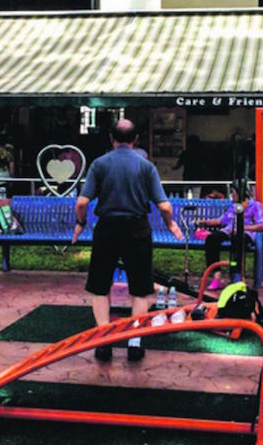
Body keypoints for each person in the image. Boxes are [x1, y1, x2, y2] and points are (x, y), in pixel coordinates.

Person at [72, 118, 182, 362]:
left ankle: (103, 340)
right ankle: (134, 340)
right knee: (141, 287)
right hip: (137, 228)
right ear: (136, 139)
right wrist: (170, 224)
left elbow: (82, 203)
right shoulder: (146, 167)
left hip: (107, 228)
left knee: (100, 285)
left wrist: (80, 224)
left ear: (111, 138)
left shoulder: (99, 164)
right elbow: (164, 206)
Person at [195, 182, 263, 290]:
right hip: (229, 230)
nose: (232, 195)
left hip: (245, 233)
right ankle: (217, 277)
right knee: (211, 239)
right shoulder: (234, 206)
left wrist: (242, 228)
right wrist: (202, 221)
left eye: (233, 192)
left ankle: (236, 276)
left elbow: (261, 225)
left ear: (240, 193)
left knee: (237, 240)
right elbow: (220, 220)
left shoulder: (255, 206)